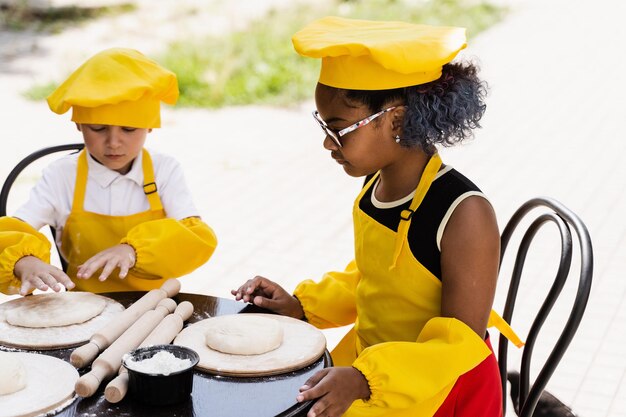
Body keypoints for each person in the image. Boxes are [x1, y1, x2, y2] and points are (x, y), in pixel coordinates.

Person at [232, 16, 522, 417]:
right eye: (323, 124)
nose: (326, 143)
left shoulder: (464, 214)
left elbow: (460, 343)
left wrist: (367, 379)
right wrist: (301, 305)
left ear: (396, 121)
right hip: (377, 362)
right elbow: (374, 278)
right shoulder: (374, 185)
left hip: (435, 385)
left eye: (337, 128)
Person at [0, 48, 217, 296]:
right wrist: (23, 262)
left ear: (150, 127)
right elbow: (14, 228)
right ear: (79, 125)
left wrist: (133, 251)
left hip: (154, 304)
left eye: (129, 129)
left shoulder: (164, 170)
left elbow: (195, 236)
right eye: (98, 128)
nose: (114, 142)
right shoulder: (61, 175)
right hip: (82, 304)